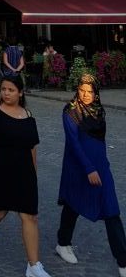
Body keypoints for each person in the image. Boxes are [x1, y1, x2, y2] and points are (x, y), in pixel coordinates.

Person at [0, 75, 52, 277]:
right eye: (4, 89)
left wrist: (34, 173)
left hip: (24, 171)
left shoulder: (28, 115)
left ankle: (33, 266)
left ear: (20, 92)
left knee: (30, 216)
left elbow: (32, 147)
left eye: (11, 90)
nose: (6, 93)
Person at [55, 73, 126, 276]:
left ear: (96, 93)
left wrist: (101, 165)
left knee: (112, 210)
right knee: (72, 205)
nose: (85, 95)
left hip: (101, 167)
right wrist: (89, 169)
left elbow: (100, 141)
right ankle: (63, 243)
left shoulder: (98, 111)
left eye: (90, 91)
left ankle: (123, 261)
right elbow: (74, 143)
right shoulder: (70, 112)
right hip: (79, 167)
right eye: (82, 90)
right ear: (77, 90)